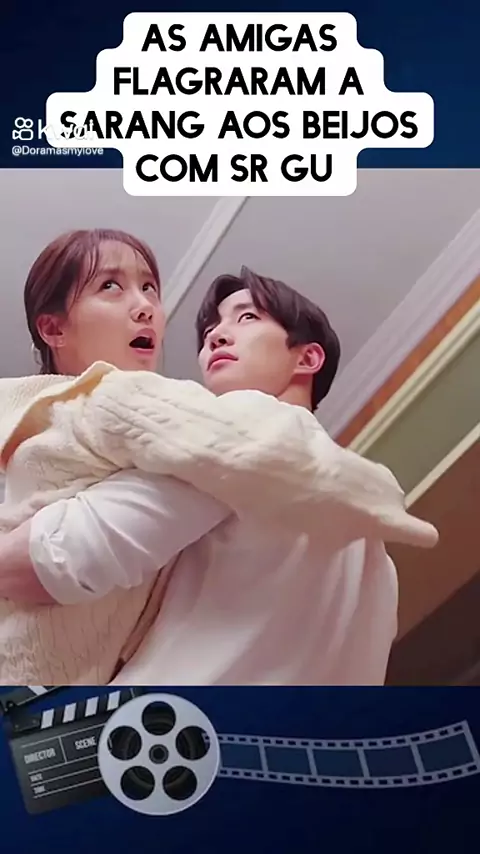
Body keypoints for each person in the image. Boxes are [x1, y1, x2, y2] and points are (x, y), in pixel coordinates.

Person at [0, 230, 437, 686]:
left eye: (246, 317)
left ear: (308, 358)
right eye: (210, 330)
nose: (215, 336)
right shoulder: (375, 561)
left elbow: (53, 560)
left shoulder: (236, 437)